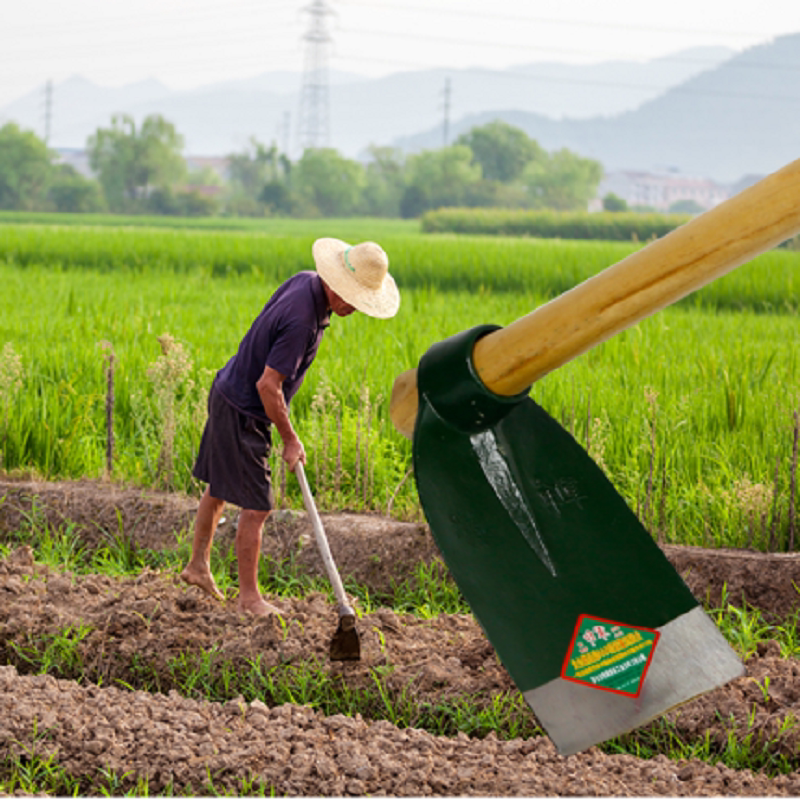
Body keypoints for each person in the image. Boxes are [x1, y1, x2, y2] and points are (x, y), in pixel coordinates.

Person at [180, 238, 400, 616]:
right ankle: (250, 599)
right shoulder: (302, 321)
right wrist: (289, 438)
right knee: (257, 507)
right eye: (354, 299)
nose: (354, 309)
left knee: (220, 486)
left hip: (228, 391)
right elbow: (268, 386)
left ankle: (197, 566)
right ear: (338, 285)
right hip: (244, 410)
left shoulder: (305, 281)